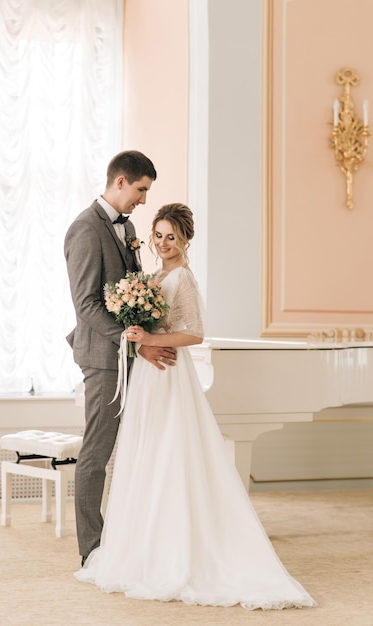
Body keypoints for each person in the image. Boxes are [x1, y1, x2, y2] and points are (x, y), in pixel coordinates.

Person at [74, 203, 317, 610]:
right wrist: (138, 337)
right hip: (149, 376)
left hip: (170, 374)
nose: (163, 243)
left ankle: (179, 551)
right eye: (158, 235)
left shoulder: (182, 277)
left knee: (173, 455)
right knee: (147, 455)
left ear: (185, 239)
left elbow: (195, 333)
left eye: (171, 236)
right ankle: (144, 547)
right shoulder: (152, 276)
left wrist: (150, 341)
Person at [64, 151, 177, 566]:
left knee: (135, 449)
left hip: (130, 355)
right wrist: (136, 343)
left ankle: (130, 539)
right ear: (121, 181)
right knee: (97, 452)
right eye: (142, 190)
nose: (144, 200)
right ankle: (91, 550)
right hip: (103, 358)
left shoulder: (126, 226)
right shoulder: (84, 229)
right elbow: (87, 306)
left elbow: (127, 289)